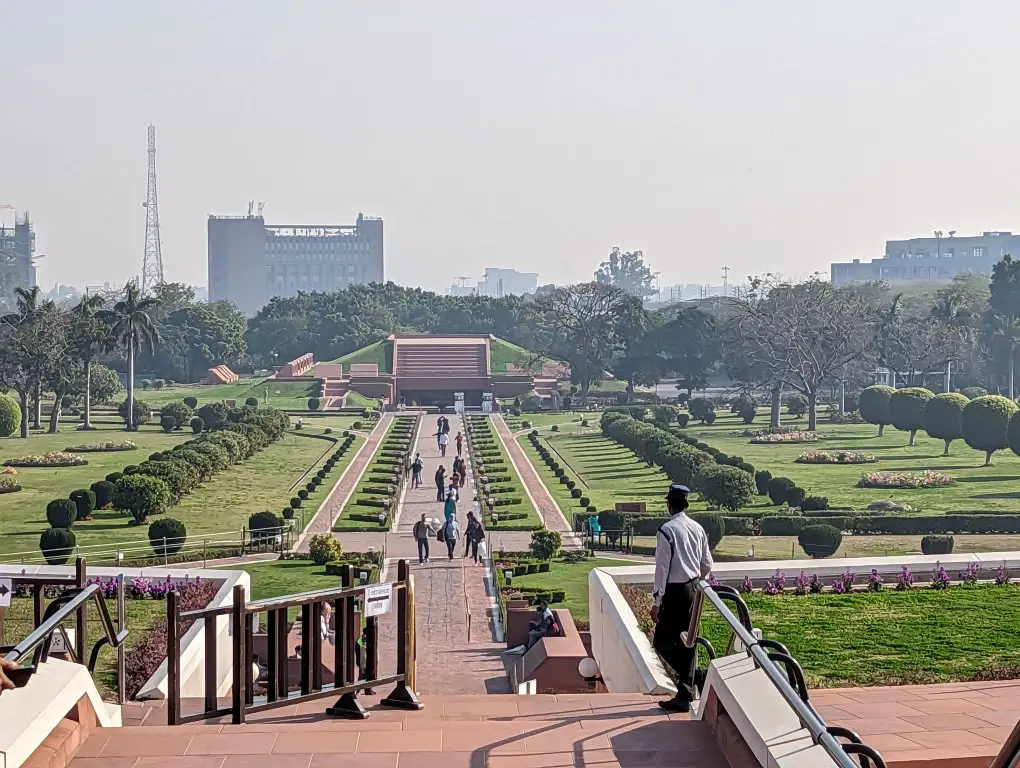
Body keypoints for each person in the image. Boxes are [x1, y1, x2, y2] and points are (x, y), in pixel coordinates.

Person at [651, 483, 714, 713]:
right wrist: (696, 581)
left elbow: (662, 569)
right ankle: (688, 686)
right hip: (694, 587)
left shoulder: (667, 530)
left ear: (670, 504)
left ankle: (691, 681)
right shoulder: (697, 528)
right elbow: (707, 564)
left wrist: (657, 602)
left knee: (662, 642)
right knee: (687, 641)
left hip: (675, 591)